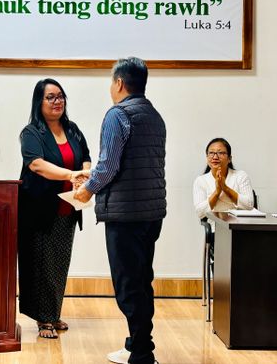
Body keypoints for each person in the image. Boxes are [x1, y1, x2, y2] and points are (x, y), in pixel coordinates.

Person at [74, 57, 166, 364]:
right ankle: (136, 343)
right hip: (151, 212)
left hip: (125, 215)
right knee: (142, 280)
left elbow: (109, 165)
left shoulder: (118, 114)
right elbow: (133, 164)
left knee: (128, 285)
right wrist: (94, 176)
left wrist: (87, 189)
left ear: (119, 83)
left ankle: (141, 354)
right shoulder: (154, 116)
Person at [18, 78, 91, 339]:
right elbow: (36, 165)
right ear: (39, 102)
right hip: (39, 209)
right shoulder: (31, 133)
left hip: (68, 208)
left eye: (60, 96)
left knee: (59, 263)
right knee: (40, 264)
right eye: (50, 97)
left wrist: (84, 175)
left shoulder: (72, 130)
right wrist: (71, 174)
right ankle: (43, 319)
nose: (57, 101)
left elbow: (85, 157)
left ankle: (53, 312)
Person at [193, 137, 254, 218]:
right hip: (215, 224)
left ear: (229, 158)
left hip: (240, 223)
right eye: (211, 153)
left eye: (220, 153)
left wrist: (225, 188)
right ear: (207, 157)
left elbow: (249, 205)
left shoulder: (240, 176)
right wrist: (217, 192)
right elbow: (200, 213)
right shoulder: (201, 180)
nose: (215, 157)